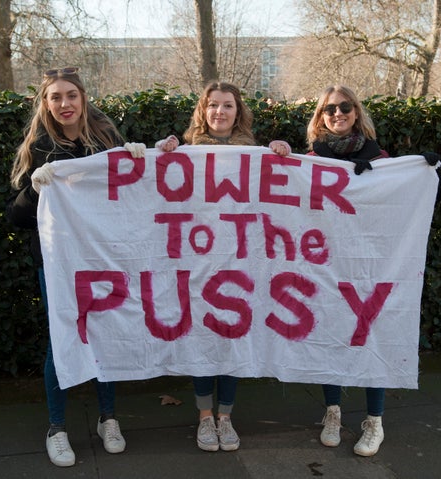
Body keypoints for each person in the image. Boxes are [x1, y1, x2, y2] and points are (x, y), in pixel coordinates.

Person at [5, 67, 146, 467]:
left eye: (71, 95)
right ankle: (57, 427)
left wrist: (139, 162)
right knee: (62, 340)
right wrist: (34, 190)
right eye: (55, 97)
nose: (64, 104)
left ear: (83, 98)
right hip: (58, 263)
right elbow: (14, 219)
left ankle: (109, 418)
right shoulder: (38, 149)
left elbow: (135, 204)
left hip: (103, 258)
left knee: (106, 336)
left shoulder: (106, 141)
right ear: (45, 103)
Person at [155, 81, 291, 452]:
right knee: (201, 339)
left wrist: (283, 152)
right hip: (198, 263)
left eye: (227, 105)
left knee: (233, 337)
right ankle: (204, 419)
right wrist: (164, 150)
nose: (220, 112)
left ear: (238, 111)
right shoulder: (187, 153)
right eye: (212, 105)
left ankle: (226, 417)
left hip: (241, 262)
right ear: (203, 111)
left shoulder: (257, 153)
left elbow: (284, 193)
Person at [306, 84, 389, 457]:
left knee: (370, 336)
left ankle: (375, 420)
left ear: (356, 112)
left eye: (345, 107)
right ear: (320, 117)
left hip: (367, 263)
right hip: (324, 263)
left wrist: (424, 169)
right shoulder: (309, 160)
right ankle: (333, 412)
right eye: (329, 109)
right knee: (329, 335)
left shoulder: (381, 157)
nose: (337, 114)